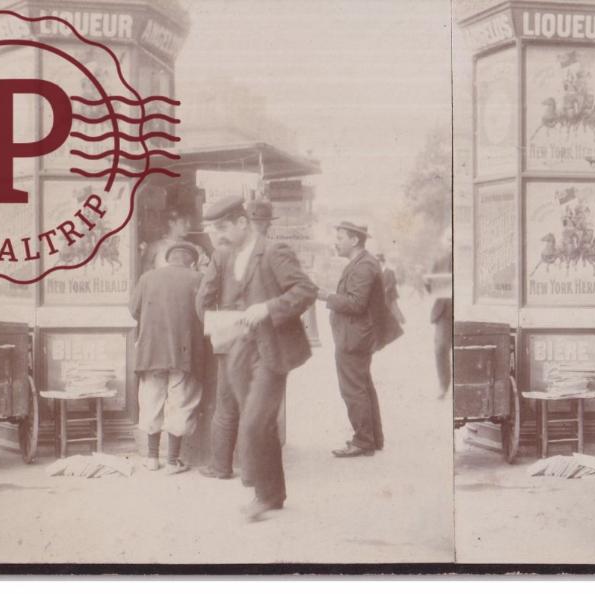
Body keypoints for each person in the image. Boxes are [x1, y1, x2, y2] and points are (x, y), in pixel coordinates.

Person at [196, 197, 317, 522]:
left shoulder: (273, 251)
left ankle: (260, 495)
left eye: (222, 227)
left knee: (252, 422)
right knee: (260, 424)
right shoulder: (230, 256)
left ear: (241, 223)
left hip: (272, 350)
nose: (217, 235)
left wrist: (267, 308)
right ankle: (274, 494)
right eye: (213, 229)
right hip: (242, 350)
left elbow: (306, 290)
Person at [319, 221, 402, 457]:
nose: (336, 242)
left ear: (354, 240)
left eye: (340, 237)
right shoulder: (362, 262)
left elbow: (356, 304)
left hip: (354, 337)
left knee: (353, 389)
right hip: (355, 335)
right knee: (362, 386)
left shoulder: (364, 265)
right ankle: (372, 439)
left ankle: (363, 441)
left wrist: (324, 295)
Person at [129, 242, 205, 474]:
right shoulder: (198, 279)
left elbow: (133, 310)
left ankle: (152, 458)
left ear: (168, 259)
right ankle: (172, 461)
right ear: (191, 261)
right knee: (180, 402)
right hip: (184, 352)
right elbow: (206, 313)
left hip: (151, 352)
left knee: (151, 401)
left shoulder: (147, 278)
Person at [428, 229, 452, 399]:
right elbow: (432, 288)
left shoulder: (468, 260)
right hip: (443, 311)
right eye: (449, 240)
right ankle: (443, 385)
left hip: (461, 309)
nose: (452, 243)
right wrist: (427, 283)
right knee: (440, 348)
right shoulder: (439, 261)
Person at [378, 253, 405, 325]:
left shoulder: (390, 271)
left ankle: (401, 320)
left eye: (380, 262)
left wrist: (387, 288)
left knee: (394, 307)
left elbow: (393, 282)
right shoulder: (378, 272)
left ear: (383, 262)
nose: (378, 264)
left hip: (391, 293)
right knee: (387, 307)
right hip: (384, 293)